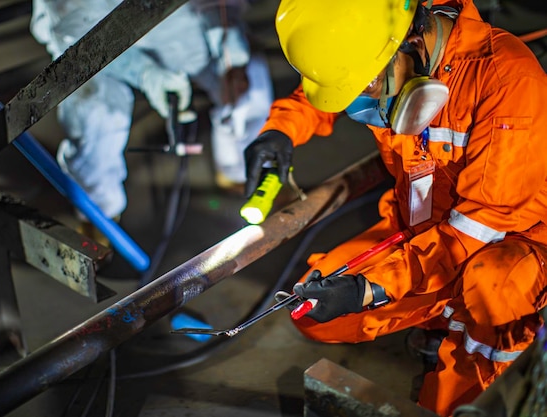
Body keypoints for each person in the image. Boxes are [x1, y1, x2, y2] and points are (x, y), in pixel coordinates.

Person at [243, 0, 547, 415]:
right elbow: (335, 84)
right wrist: (280, 130)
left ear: (411, 41)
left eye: (367, 88)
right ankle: (443, 310)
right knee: (314, 314)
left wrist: (372, 288)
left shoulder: (504, 77)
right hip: (424, 233)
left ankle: (490, 383)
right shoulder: (384, 52)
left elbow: (482, 226)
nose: (363, 104)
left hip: (511, 242)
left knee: (493, 283)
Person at [30, 0, 273, 239]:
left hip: (169, 24)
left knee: (249, 84)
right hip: (88, 30)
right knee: (95, 115)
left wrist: (228, 37)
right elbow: (75, 33)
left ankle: (237, 171)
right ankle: (100, 214)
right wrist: (145, 74)